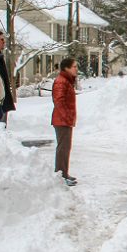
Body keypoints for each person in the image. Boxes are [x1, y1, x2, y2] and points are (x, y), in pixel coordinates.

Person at [52, 58, 78, 187]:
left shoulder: (66, 81)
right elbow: (59, 101)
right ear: (66, 68)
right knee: (63, 148)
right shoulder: (61, 82)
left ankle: (64, 173)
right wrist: (67, 116)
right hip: (62, 121)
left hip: (65, 120)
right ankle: (61, 176)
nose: (76, 69)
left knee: (66, 147)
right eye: (74, 67)